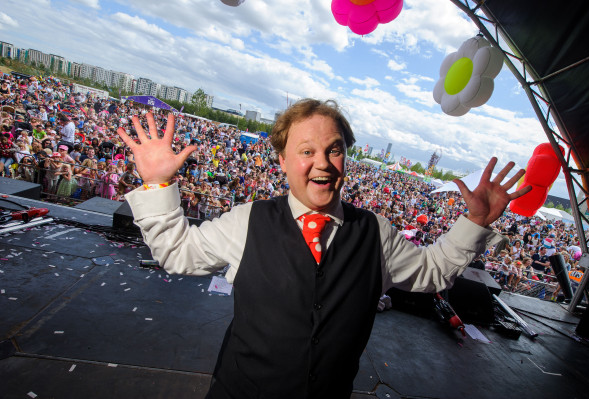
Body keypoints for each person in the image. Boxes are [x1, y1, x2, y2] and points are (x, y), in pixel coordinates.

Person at [118, 99, 530, 399]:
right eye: (307, 151)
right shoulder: (247, 221)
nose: (323, 163)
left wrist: (474, 223)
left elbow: (432, 272)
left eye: (335, 149)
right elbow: (176, 252)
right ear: (281, 159)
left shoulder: (375, 233)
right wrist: (158, 184)